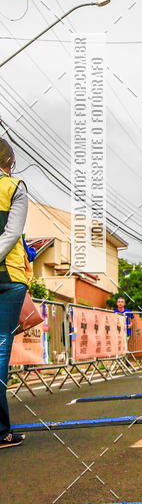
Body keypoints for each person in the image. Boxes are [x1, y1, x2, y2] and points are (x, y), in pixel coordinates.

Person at [0, 139, 29, 449]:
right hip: (8, 277)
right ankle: (1, 432)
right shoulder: (14, 187)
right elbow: (11, 233)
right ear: (9, 161)